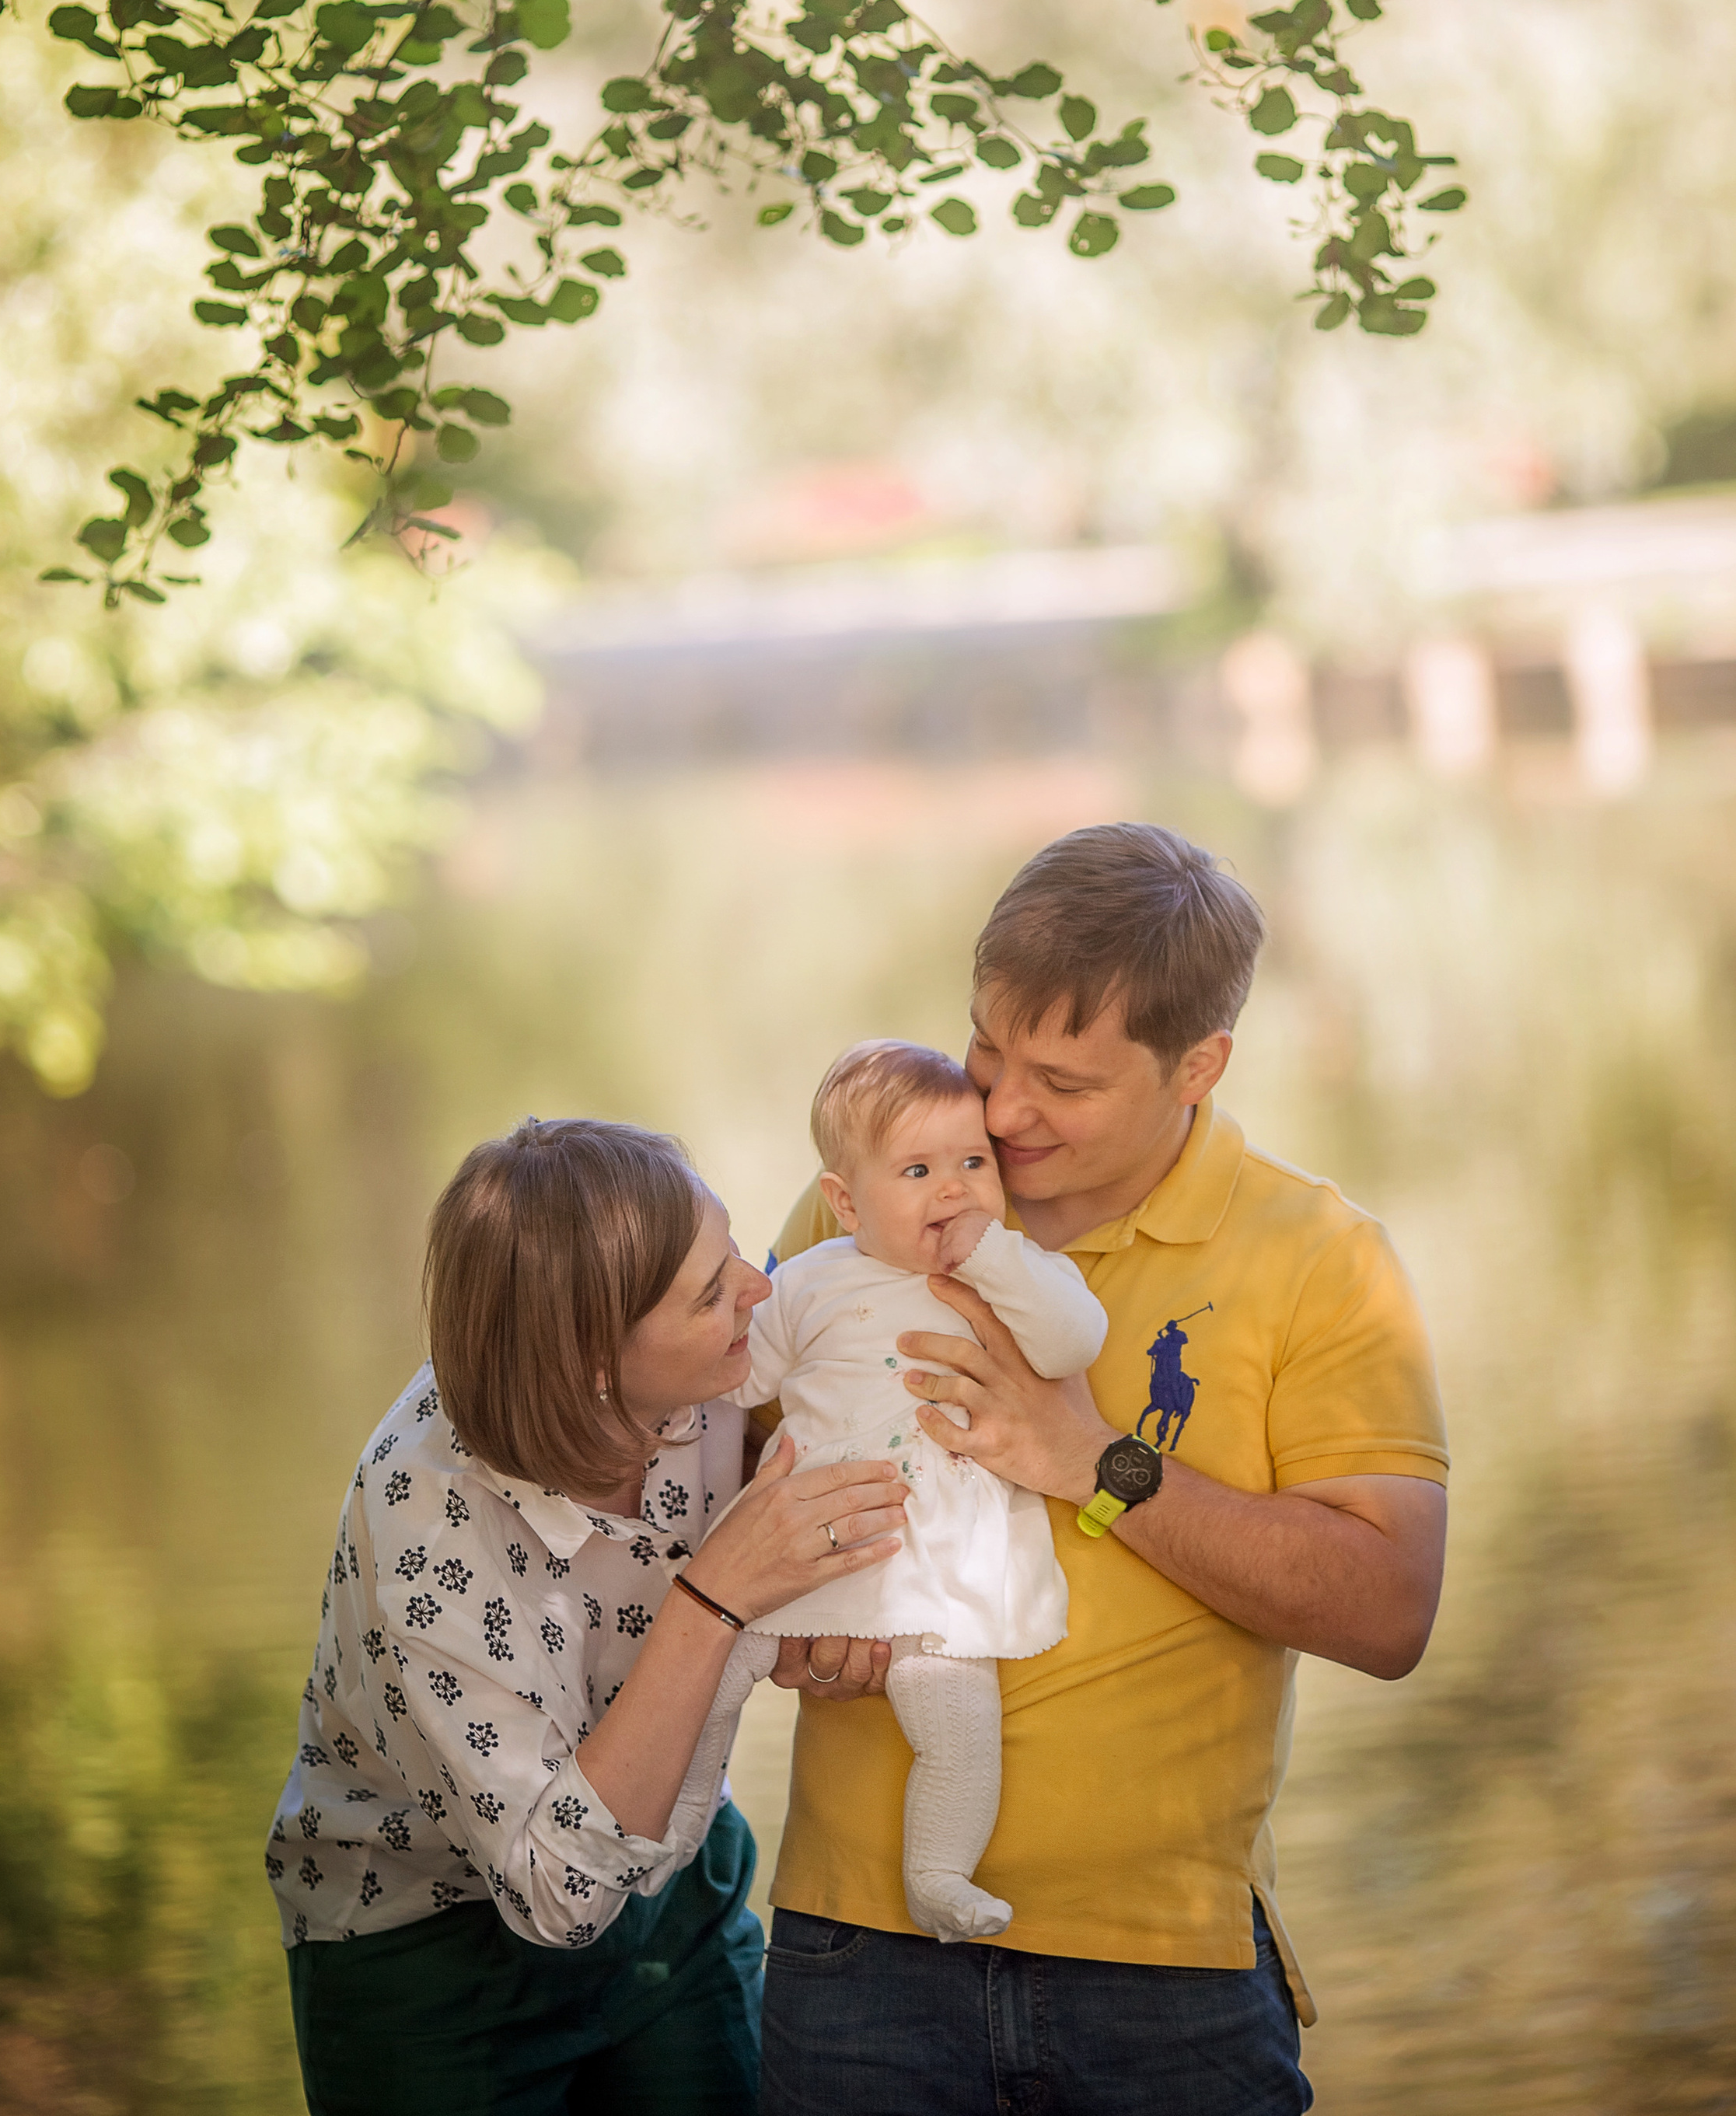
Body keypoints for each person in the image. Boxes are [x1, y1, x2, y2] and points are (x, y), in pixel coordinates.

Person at [758, 823, 1450, 2116]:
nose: (1003, 1115)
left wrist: (1093, 1461)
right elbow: (736, 1482)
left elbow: (1388, 1609)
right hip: (859, 1956)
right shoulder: (877, 1189)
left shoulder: (1319, 1258)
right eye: (988, 1049)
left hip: (1168, 1983)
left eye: (1064, 1084)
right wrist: (801, 1605)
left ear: (1200, 1066)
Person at [266, 1116, 907, 2114]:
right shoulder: (428, 1530)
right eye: (711, 1291)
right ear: (594, 1368)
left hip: (673, 1894)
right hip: (418, 1953)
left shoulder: (728, 1366)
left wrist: (833, 1614)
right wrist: (716, 1600)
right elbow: (558, 1895)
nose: (759, 1286)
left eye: (732, 1249)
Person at [673, 1037, 1106, 1943]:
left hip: (943, 1565)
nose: (954, 1189)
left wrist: (995, 1261)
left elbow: (1071, 1343)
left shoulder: (1015, 1275)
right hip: (813, 1542)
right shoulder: (807, 1282)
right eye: (917, 1169)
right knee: (715, 1670)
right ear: (844, 1200)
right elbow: (742, 1380)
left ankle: (938, 1875)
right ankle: (678, 1825)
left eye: (972, 1164)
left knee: (956, 1722)